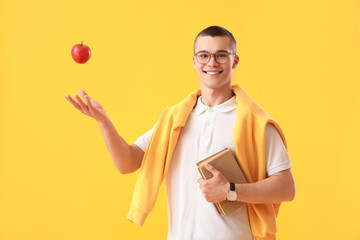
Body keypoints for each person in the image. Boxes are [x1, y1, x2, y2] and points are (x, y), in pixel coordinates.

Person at [65, 25, 295, 240]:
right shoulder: (173, 120)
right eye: (204, 55)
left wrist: (230, 191)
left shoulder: (256, 123)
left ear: (234, 61)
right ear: (194, 61)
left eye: (221, 55)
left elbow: (286, 188)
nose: (211, 62)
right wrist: (104, 122)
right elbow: (127, 162)